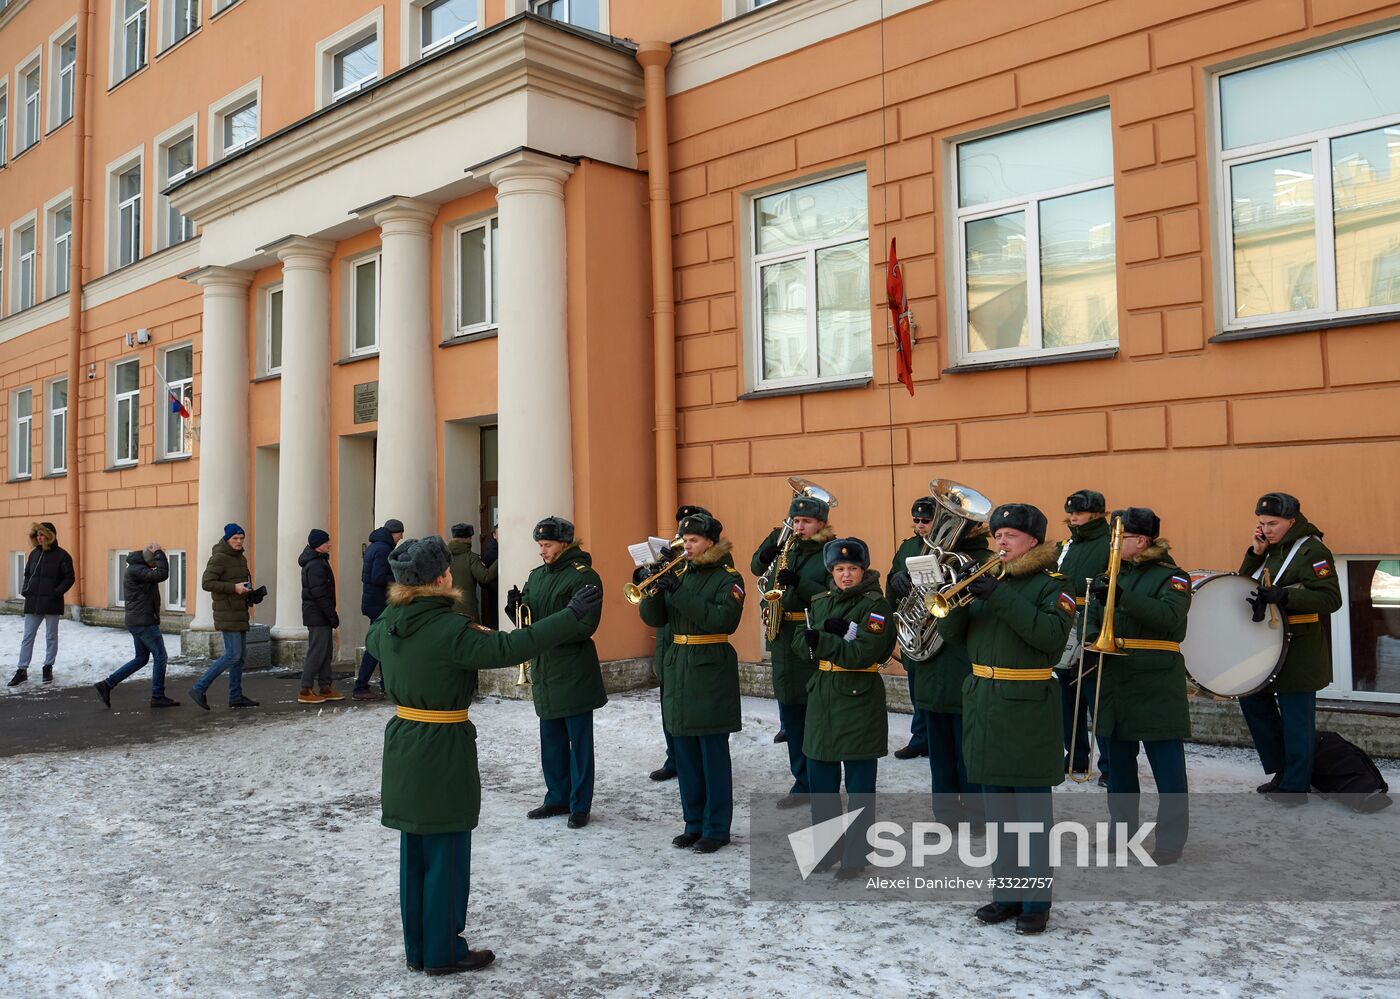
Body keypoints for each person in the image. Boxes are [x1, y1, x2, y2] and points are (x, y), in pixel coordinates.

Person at [370, 534, 602, 976]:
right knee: (447, 855)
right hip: (441, 745)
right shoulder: (449, 629)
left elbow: (381, 637)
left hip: (402, 742)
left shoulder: (387, 624)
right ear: (441, 578)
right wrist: (569, 617)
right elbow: (508, 648)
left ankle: (418, 948)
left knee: (414, 854)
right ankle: (443, 952)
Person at [938, 502, 1073, 935]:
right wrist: (955, 599)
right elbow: (953, 637)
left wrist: (999, 596)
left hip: (1028, 707)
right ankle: (1006, 894)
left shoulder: (1053, 586)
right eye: (997, 535)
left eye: (1010, 535)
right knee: (998, 812)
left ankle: (1035, 902)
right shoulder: (988, 581)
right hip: (985, 704)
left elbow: (1048, 638)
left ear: (1033, 541)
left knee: (1031, 814)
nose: (1000, 542)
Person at [1082, 507, 1191, 864]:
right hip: (1115, 680)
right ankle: (1121, 833)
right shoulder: (1107, 576)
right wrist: (1091, 633)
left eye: (1120, 539)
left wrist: (1122, 597)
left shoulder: (1173, 577)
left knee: (1168, 772)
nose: (1113, 546)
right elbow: (1092, 620)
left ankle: (1170, 842)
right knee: (1118, 769)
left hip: (1156, 682)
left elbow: (1169, 618)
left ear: (1142, 541)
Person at [638, 511, 744, 853]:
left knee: (712, 758)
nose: (686, 547)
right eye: (684, 541)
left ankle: (717, 828)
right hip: (679, 667)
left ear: (710, 542)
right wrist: (652, 588)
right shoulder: (679, 572)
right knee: (685, 757)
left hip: (709, 670)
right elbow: (655, 618)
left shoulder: (728, 578)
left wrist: (678, 590)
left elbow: (720, 620)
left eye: (694, 541)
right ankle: (693, 824)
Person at [797, 538, 896, 878]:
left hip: (858, 700)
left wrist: (822, 639)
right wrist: (817, 634)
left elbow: (863, 654)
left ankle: (856, 856)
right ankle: (826, 851)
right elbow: (800, 643)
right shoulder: (820, 602)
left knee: (859, 787)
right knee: (822, 785)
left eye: (852, 568)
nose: (845, 575)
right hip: (822, 698)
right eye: (839, 569)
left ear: (863, 570)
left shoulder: (876, 606)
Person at [1238, 492, 1342, 804]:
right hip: (1266, 644)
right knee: (1253, 701)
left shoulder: (1312, 550)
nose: (1266, 529)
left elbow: (1331, 599)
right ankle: (1281, 771)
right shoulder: (1270, 550)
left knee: (1297, 718)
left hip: (1299, 646)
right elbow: (1245, 584)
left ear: (1291, 521)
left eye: (1272, 523)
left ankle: (1296, 786)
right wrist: (1255, 553)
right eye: (1262, 523)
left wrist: (1286, 596)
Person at [508, 517, 607, 829]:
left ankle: (580, 805)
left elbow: (585, 625)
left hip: (574, 669)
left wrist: (542, 632)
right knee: (551, 742)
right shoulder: (536, 576)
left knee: (579, 745)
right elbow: (528, 622)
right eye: (540, 545)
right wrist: (515, 610)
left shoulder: (584, 576)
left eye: (547, 545)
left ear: (565, 543)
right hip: (545, 668)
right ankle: (556, 797)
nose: (542, 551)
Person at [897, 520, 992, 830]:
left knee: (970, 755)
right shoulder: (927, 559)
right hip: (930, 670)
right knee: (940, 755)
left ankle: (977, 815)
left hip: (965, 669)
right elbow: (914, 608)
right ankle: (946, 815)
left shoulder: (985, 562)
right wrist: (899, 584)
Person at [750, 491, 835, 808]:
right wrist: (766, 554)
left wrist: (799, 582)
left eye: (806, 521)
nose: (799, 527)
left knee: (816, 718)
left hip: (810, 637)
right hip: (783, 638)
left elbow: (833, 595)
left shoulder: (830, 552)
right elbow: (757, 569)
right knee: (792, 717)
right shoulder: (786, 544)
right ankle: (802, 783)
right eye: (796, 521)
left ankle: (821, 783)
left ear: (821, 523)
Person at [638, 503, 715, 783]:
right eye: (683, 532)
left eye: (693, 534)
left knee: (697, 711)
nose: (685, 540)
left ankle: (696, 761)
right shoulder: (673, 553)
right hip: (669, 640)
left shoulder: (712, 563)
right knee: (668, 705)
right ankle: (674, 758)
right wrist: (649, 576)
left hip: (695, 643)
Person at [1054, 489, 1113, 784]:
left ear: (1097, 513)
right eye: (1071, 513)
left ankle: (1111, 764)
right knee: (1068, 699)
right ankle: (1075, 756)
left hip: (1094, 624)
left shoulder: (1109, 543)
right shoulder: (1067, 545)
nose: (1073, 518)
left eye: (1079, 513)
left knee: (1097, 699)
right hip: (1068, 624)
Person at [93, 543, 177, 708]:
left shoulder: (138, 568)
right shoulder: (136, 570)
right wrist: (159, 554)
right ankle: (157, 696)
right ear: (149, 560)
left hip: (138, 620)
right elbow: (161, 574)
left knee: (141, 658)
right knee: (160, 656)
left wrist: (156, 555)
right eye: (154, 562)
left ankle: (107, 684)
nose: (155, 565)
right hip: (144, 622)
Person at [886, 497, 936, 760]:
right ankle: (921, 738)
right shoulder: (908, 546)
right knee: (916, 685)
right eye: (916, 520)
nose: (919, 525)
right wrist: (896, 579)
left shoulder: (947, 546)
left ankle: (938, 740)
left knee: (936, 688)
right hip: (914, 623)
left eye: (925, 520)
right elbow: (892, 574)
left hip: (938, 623)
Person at [190, 524, 259, 710]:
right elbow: (207, 583)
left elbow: (240, 583)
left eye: (241, 538)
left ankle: (235, 696)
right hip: (226, 613)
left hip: (239, 611)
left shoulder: (241, 558)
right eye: (235, 538)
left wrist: (250, 593)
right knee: (232, 655)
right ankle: (198, 687)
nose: (239, 541)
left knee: (240, 656)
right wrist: (234, 588)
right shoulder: (219, 557)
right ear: (227, 539)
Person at [8, 522, 75, 686]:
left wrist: (55, 592)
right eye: (37, 535)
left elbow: (69, 578)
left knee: (51, 636)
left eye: (42, 535)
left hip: (52, 602)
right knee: (28, 636)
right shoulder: (34, 554)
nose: (39, 538)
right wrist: (25, 589)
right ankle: (21, 670)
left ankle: (48, 667)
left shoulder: (62, 556)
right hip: (33, 601)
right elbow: (27, 574)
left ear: (50, 536)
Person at [355, 518, 404, 701]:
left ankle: (386, 685)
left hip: (374, 602)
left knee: (382, 644)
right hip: (379, 604)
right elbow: (377, 577)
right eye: (400, 534)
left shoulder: (374, 547)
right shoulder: (383, 549)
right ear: (394, 533)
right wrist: (398, 578)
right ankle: (361, 687)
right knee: (376, 646)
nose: (401, 538)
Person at [298, 528, 343, 705]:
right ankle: (305, 689)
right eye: (326, 542)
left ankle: (325, 686)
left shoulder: (319, 561)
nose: (329, 544)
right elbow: (320, 594)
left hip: (319, 614)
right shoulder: (316, 564)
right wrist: (332, 615)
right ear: (318, 545)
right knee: (317, 652)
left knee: (325, 652)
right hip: (318, 615)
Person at [447, 524, 497, 623]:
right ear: (468, 538)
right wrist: (499, 560)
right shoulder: (471, 558)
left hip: (448, 607)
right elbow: (484, 577)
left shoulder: (444, 557)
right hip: (467, 609)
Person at [480, 525, 500, 629]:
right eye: (499, 534)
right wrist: (497, 588)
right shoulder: (490, 553)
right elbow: (483, 578)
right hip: (495, 594)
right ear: (494, 535)